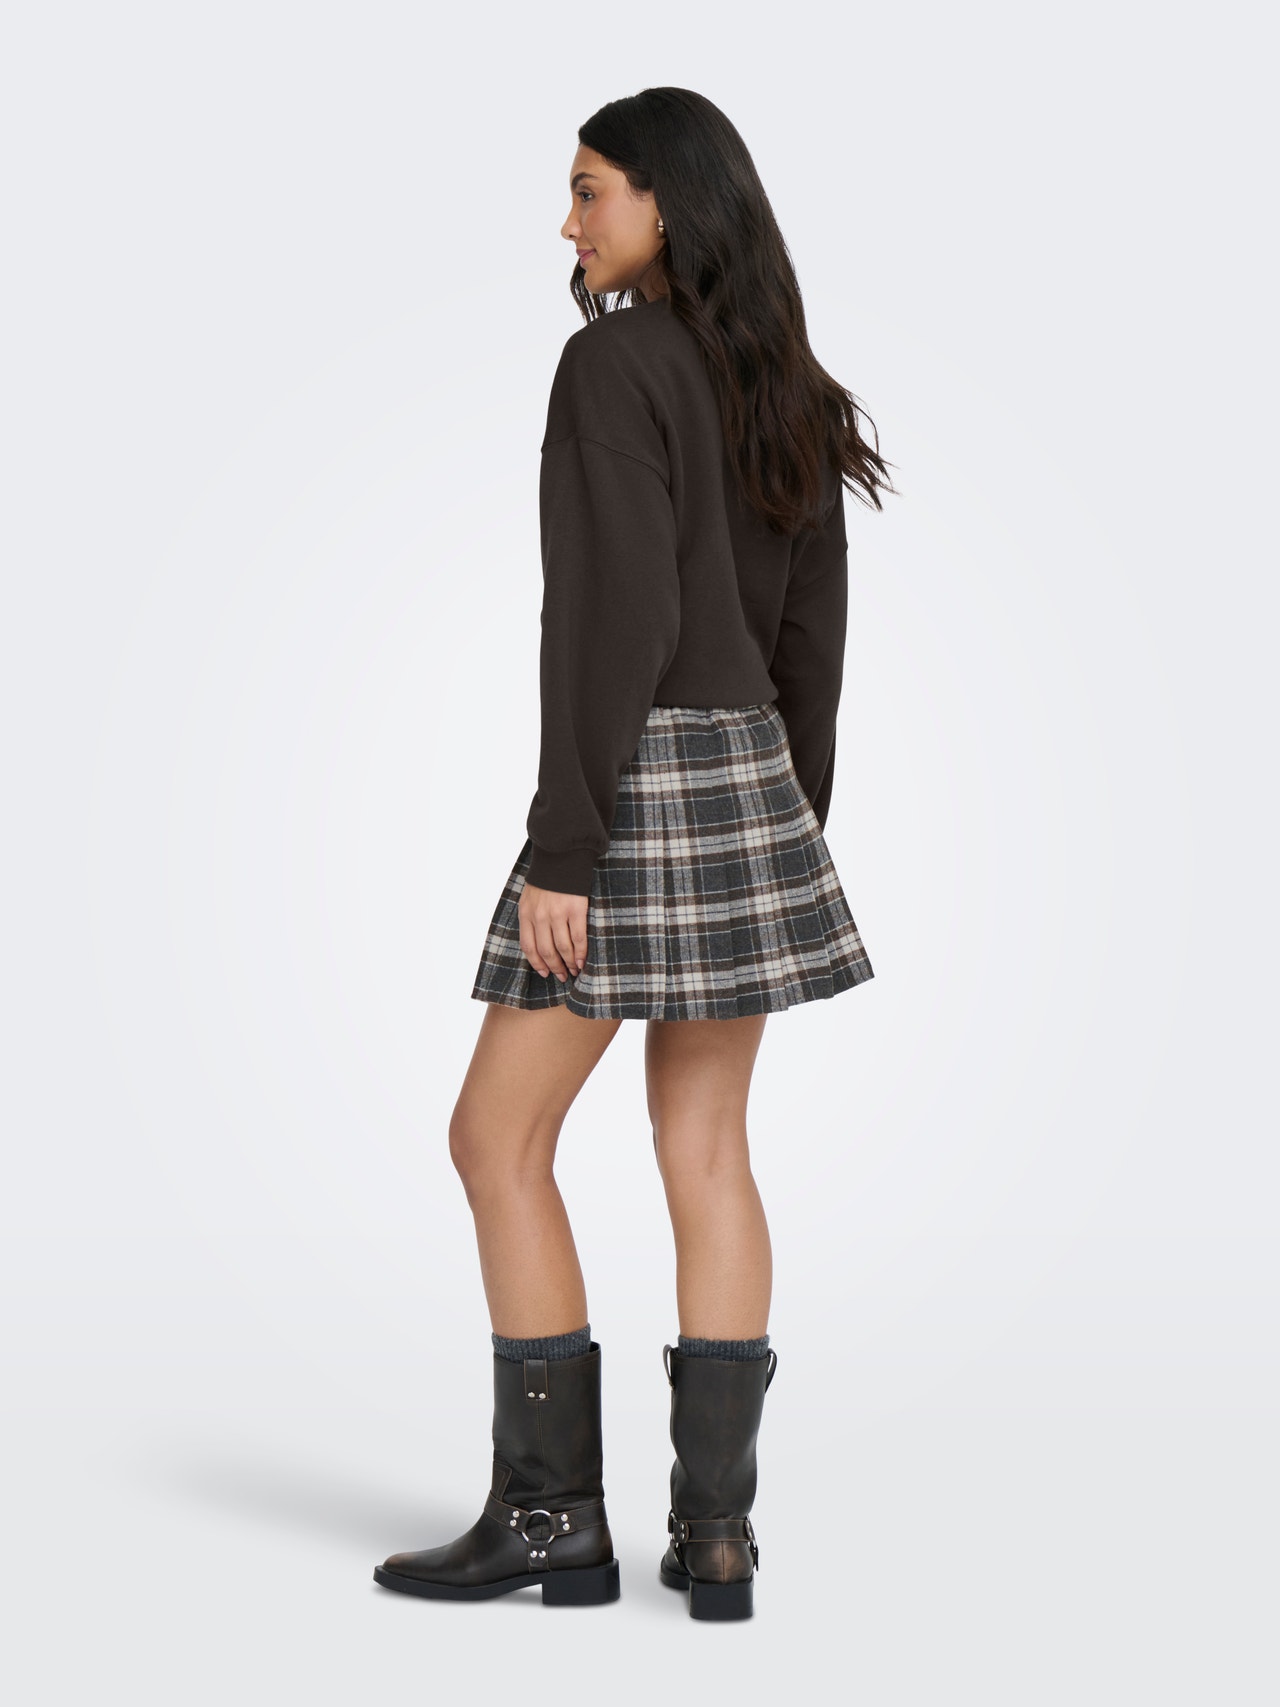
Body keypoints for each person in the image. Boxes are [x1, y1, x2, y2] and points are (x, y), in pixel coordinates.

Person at [373, 86, 895, 1622]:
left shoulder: (614, 363)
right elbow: (812, 648)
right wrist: (787, 827)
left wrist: (566, 847)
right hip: (754, 790)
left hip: (634, 782)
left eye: (591, 188)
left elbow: (610, 620)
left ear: (670, 199)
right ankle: (716, 1540)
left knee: (496, 1139)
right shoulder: (786, 387)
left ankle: (551, 1522)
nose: (569, 221)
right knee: (709, 1149)